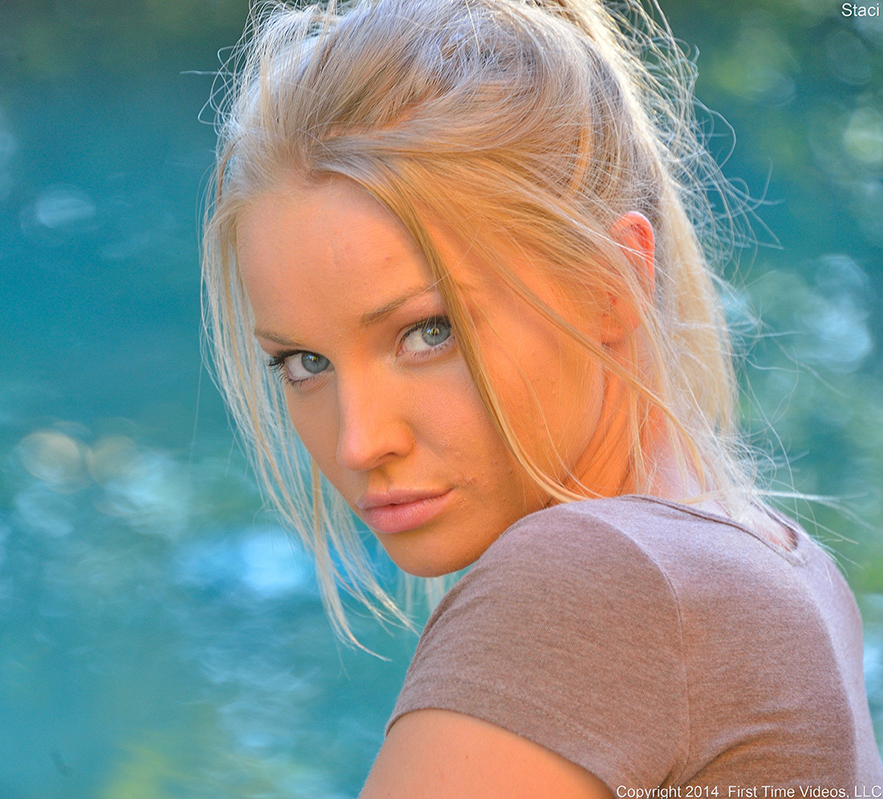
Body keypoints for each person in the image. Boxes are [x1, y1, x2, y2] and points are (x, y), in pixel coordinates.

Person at [200, 0, 883, 794]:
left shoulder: (593, 580)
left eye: (429, 331)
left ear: (609, 283)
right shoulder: (787, 565)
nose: (359, 442)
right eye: (304, 361)